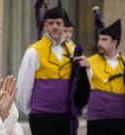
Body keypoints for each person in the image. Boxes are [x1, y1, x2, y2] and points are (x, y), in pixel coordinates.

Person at [77, 19, 125, 135]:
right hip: (97, 122)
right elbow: (81, 92)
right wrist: (81, 71)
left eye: (104, 40)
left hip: (121, 123)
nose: (100, 43)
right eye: (99, 39)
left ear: (114, 42)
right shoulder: (89, 62)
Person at [16, 7, 80, 135]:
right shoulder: (34, 51)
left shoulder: (73, 50)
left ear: (63, 25)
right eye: (51, 23)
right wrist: (31, 111)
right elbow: (24, 85)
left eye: (58, 23)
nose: (55, 27)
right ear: (45, 25)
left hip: (65, 116)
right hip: (41, 115)